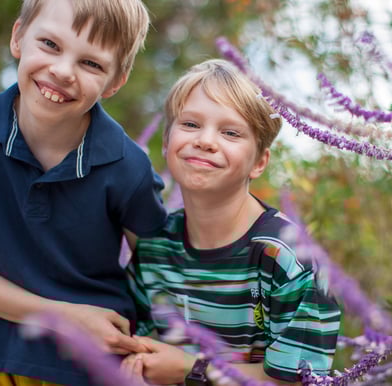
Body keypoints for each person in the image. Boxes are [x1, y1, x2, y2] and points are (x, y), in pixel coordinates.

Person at [0, 0, 167, 384]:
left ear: (116, 81)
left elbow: (163, 283)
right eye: (51, 45)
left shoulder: (128, 168)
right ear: (18, 37)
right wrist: (69, 318)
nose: (62, 71)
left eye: (91, 63)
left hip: (96, 368)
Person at [125, 59, 341, 385]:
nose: (206, 141)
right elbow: (128, 341)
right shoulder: (156, 246)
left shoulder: (288, 257)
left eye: (230, 132)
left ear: (259, 162)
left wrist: (193, 368)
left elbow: (300, 381)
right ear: (167, 141)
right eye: (191, 124)